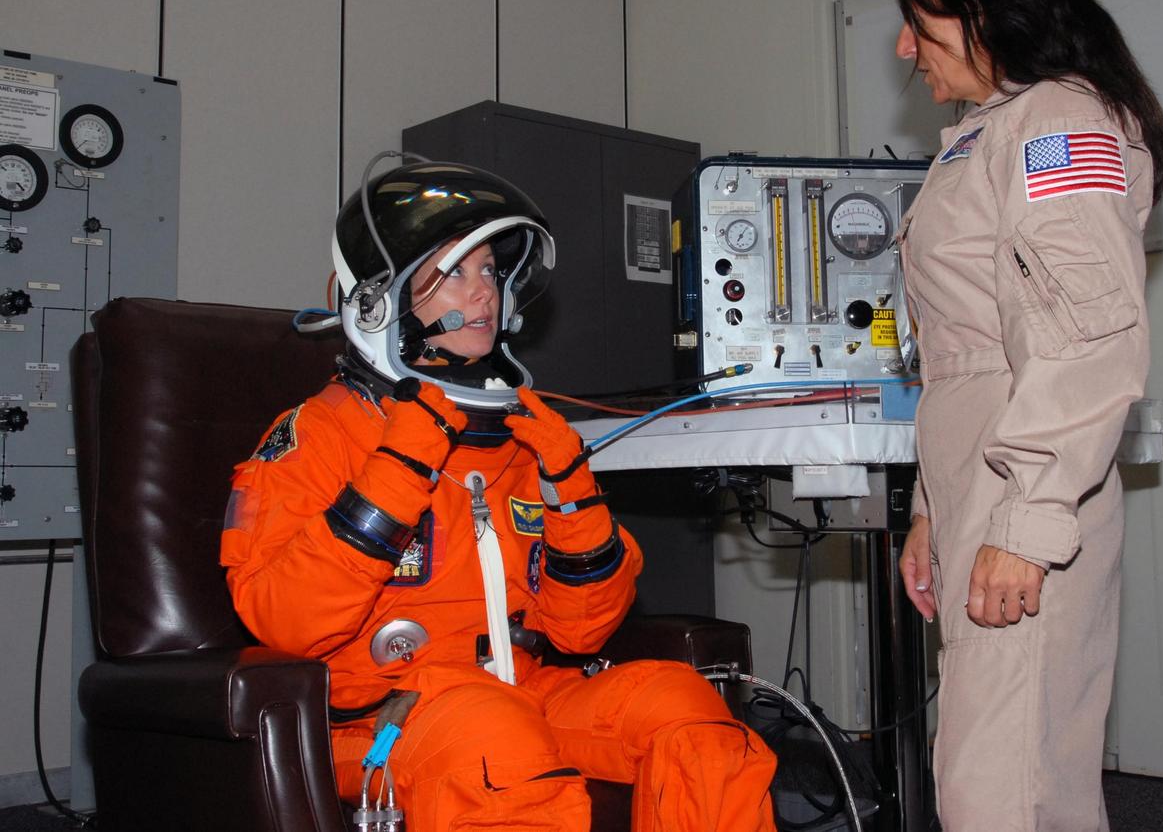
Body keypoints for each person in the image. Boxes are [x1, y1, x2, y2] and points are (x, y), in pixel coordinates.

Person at [220, 158, 777, 832]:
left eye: (489, 270)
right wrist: (400, 465)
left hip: (524, 688)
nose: (483, 293)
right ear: (377, 298)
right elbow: (285, 620)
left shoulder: (518, 439)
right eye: (454, 271)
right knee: (496, 749)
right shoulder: (319, 435)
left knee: (686, 714)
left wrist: (574, 500)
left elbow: (582, 630)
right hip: (383, 714)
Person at [890, 0, 1163, 831]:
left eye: (921, 27)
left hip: (1029, 486)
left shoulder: (1055, 124)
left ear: (987, 19)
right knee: (999, 765)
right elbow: (966, 352)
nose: (902, 48)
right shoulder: (991, 131)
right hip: (987, 475)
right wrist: (937, 509)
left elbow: (1083, 340)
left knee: (1005, 788)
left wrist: (1026, 520)